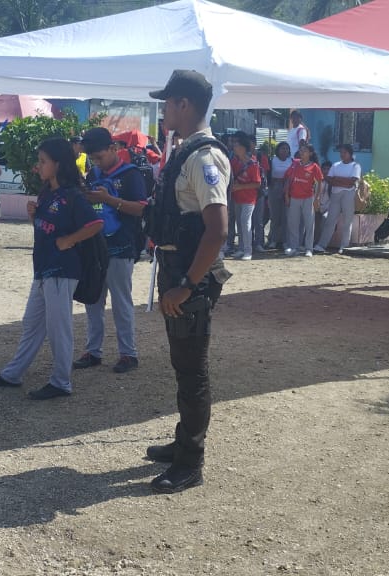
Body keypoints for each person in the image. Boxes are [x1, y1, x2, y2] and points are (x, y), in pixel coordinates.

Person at [144, 69, 232, 494]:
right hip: (177, 269)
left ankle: (190, 462)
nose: (164, 111)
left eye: (167, 102)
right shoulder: (185, 152)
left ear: (184, 104)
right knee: (183, 365)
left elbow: (217, 230)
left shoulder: (203, 158)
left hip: (189, 277)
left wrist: (188, 285)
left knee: (192, 371)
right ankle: (183, 442)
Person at [0, 138, 103, 400]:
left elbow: (95, 225)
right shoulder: (48, 192)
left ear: (58, 164)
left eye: (43, 161)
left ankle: (61, 382)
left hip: (62, 270)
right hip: (44, 268)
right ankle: (12, 374)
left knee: (59, 328)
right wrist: (34, 216)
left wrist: (69, 240)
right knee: (32, 323)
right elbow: (47, 227)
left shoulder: (72, 195)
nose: (39, 166)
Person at [75, 127, 147, 374]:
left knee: (121, 303)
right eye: (92, 158)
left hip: (122, 246)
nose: (96, 162)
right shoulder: (94, 173)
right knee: (93, 300)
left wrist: (108, 200)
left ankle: (128, 353)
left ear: (113, 149)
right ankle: (93, 351)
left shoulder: (131, 174)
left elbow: (141, 208)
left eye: (99, 157)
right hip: (96, 247)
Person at [317, 143, 361, 253]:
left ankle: (344, 246)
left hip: (348, 195)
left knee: (347, 221)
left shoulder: (355, 166)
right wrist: (344, 181)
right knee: (330, 220)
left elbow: (352, 182)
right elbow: (329, 179)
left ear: (350, 153)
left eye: (344, 152)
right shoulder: (336, 165)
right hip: (335, 194)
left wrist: (337, 180)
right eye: (341, 152)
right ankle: (322, 245)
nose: (342, 154)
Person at [283, 142, 323, 257]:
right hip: (294, 197)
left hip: (308, 198)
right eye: (301, 150)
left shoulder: (314, 166)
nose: (302, 152)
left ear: (310, 153)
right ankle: (294, 247)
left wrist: (317, 198)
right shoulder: (295, 164)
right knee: (293, 224)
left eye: (305, 151)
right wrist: (286, 195)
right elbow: (288, 179)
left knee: (309, 223)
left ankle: (309, 248)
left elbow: (319, 182)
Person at [225, 132, 260, 261]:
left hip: (249, 199)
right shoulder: (234, 161)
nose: (234, 147)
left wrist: (240, 187)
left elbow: (257, 184)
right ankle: (240, 249)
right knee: (239, 224)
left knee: (245, 222)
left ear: (243, 148)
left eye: (237, 145)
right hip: (236, 198)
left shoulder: (253, 164)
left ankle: (248, 251)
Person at [265, 142, 292, 250]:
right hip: (274, 188)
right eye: (282, 148)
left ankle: (285, 241)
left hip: (287, 188)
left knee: (286, 216)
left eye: (286, 148)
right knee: (274, 216)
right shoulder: (272, 160)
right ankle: (273, 240)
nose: (284, 150)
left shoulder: (291, 161)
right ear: (278, 150)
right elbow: (268, 175)